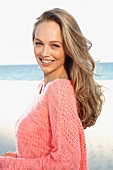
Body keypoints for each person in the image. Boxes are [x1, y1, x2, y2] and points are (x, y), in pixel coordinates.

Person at [0, 8, 104, 169]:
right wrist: (16, 157)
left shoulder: (59, 90)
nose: (44, 53)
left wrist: (8, 164)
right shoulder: (43, 88)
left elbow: (67, 163)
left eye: (55, 45)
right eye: (39, 43)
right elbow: (39, 150)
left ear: (68, 49)